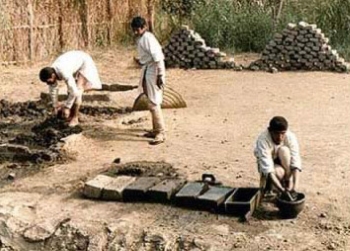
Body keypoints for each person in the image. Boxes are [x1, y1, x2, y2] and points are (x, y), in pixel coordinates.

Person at [39, 50, 102, 127]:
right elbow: (53, 88)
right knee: (70, 91)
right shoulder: (52, 72)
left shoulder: (64, 72)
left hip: (84, 62)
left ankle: (75, 118)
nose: (48, 83)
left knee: (78, 90)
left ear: (53, 75)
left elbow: (74, 92)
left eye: (48, 81)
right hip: (74, 62)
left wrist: (67, 107)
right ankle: (71, 115)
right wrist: (55, 105)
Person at [131, 16, 166, 145]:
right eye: (134, 30)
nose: (135, 32)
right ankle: (155, 129)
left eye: (137, 29)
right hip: (148, 69)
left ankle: (161, 132)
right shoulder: (142, 38)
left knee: (154, 102)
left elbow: (159, 58)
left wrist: (160, 75)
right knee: (150, 99)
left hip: (154, 70)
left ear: (144, 27)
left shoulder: (148, 39)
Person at [254, 116, 302, 197]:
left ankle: (287, 182)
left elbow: (295, 161)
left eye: (282, 133)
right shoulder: (263, 140)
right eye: (276, 133)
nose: (280, 137)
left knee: (284, 150)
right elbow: (268, 168)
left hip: (283, 161)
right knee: (279, 172)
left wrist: (295, 187)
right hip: (270, 164)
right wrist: (282, 190)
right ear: (270, 131)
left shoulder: (290, 137)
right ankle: (271, 187)